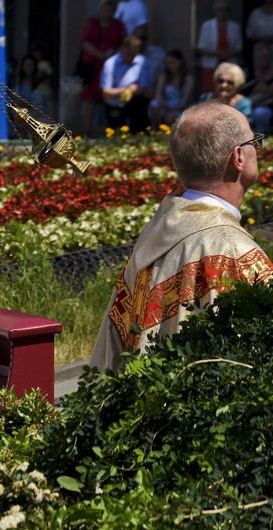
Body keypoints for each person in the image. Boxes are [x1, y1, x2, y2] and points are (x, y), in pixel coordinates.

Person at [90, 101, 273, 371]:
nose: (258, 149)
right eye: (253, 142)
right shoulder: (232, 249)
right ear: (238, 157)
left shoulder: (158, 229)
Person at [78, 0, 127, 137]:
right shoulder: (92, 23)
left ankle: (112, 130)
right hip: (93, 67)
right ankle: (87, 131)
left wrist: (113, 56)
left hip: (112, 67)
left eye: (111, 9)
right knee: (89, 97)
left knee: (111, 97)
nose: (108, 12)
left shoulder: (118, 26)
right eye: (105, 9)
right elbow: (84, 42)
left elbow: (124, 43)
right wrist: (101, 55)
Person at [101, 35, 151, 132]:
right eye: (128, 54)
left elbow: (144, 87)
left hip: (135, 103)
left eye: (134, 54)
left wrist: (132, 91)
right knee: (114, 134)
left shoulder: (142, 61)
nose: (131, 57)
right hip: (114, 104)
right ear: (121, 49)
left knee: (138, 131)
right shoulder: (110, 64)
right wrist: (126, 91)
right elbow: (106, 92)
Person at [196, 0, 243, 94]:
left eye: (226, 10)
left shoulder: (235, 26)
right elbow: (200, 47)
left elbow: (239, 47)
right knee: (209, 94)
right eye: (220, 9)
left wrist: (229, 53)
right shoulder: (207, 25)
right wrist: (218, 53)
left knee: (227, 94)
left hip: (229, 67)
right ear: (214, 10)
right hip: (211, 67)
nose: (223, 12)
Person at [148, 49, 194, 128]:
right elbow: (158, 96)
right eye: (167, 63)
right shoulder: (163, 77)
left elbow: (184, 102)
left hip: (178, 108)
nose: (169, 66)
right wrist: (162, 103)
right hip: (165, 105)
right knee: (153, 106)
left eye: (172, 62)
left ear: (180, 62)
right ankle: (158, 131)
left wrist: (170, 109)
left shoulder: (188, 79)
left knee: (170, 117)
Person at [247, 44, 273, 135]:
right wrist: (267, 95)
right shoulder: (249, 75)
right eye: (259, 56)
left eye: (265, 56)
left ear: (270, 57)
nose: (262, 59)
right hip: (250, 106)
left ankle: (263, 140)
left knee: (260, 113)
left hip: (267, 107)